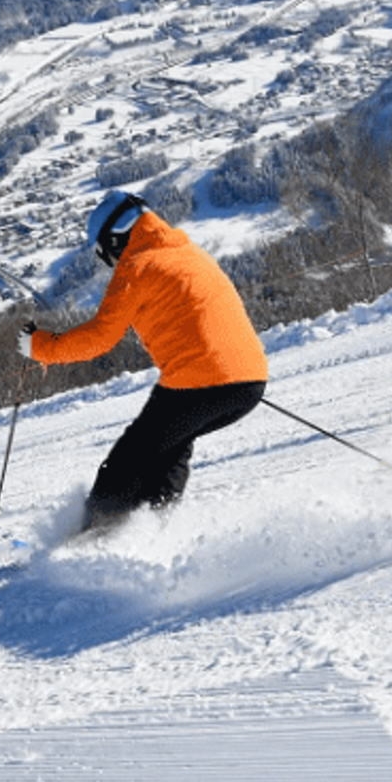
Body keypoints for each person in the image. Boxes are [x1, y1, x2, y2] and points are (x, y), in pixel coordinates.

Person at [18, 190, 268, 532]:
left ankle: (95, 537)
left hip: (202, 382)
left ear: (115, 239)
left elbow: (100, 337)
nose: (110, 262)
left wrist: (40, 346)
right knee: (169, 446)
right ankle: (153, 530)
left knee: (129, 459)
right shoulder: (190, 253)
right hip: (249, 382)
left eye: (105, 253)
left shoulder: (137, 266)